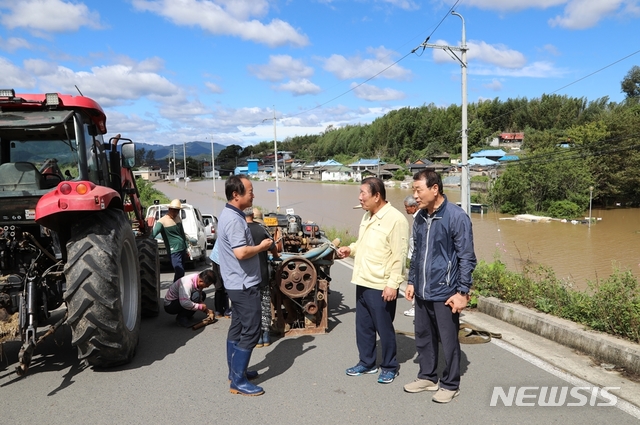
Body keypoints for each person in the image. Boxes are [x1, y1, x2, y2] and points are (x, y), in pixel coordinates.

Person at [404, 170, 477, 404]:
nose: (415, 195)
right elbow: (416, 254)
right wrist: (412, 281)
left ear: (434, 189)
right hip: (423, 290)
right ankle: (427, 376)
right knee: (423, 336)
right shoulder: (420, 218)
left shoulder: (456, 217)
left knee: (448, 340)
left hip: (446, 292)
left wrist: (463, 291)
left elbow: (467, 257)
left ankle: (450, 383)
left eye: (418, 190)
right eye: (413, 190)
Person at [336, 177, 409, 384]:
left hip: (381, 285)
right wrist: (350, 249)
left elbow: (399, 255)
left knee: (384, 329)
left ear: (377, 196)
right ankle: (366, 362)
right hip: (363, 280)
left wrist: (393, 284)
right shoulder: (367, 215)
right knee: (364, 327)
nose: (359, 198)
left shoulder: (396, 220)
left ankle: (389, 366)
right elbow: (362, 243)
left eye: (363, 193)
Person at [217, 175, 273, 396]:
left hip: (235, 281)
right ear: (235, 195)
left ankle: (235, 372)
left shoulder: (230, 214)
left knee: (238, 327)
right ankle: (238, 381)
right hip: (243, 284)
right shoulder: (234, 219)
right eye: (250, 191)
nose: (253, 195)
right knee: (251, 330)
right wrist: (262, 246)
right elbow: (241, 253)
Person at [245, 207, 279, 348]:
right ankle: (266, 337)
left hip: (247, 276)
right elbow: (273, 246)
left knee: (252, 308)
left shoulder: (240, 230)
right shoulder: (261, 229)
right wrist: (276, 256)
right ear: (253, 215)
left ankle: (256, 338)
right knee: (265, 306)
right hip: (262, 273)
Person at [152, 199, 190, 283]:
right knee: (179, 271)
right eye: (174, 210)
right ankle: (173, 291)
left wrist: (186, 247)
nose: (175, 213)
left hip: (182, 249)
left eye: (177, 210)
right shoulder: (162, 221)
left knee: (181, 274)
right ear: (169, 209)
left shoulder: (178, 218)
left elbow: (182, 234)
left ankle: (176, 291)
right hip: (174, 251)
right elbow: (153, 234)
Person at [403, 195, 419, 317]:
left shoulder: (419, 218)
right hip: (414, 254)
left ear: (414, 207)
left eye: (407, 207)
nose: (406, 209)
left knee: (414, 281)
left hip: (416, 256)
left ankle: (415, 307)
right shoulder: (416, 217)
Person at [208, 242, 231, 318]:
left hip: (220, 257)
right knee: (222, 286)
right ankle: (223, 311)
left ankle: (222, 310)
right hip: (220, 258)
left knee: (222, 286)